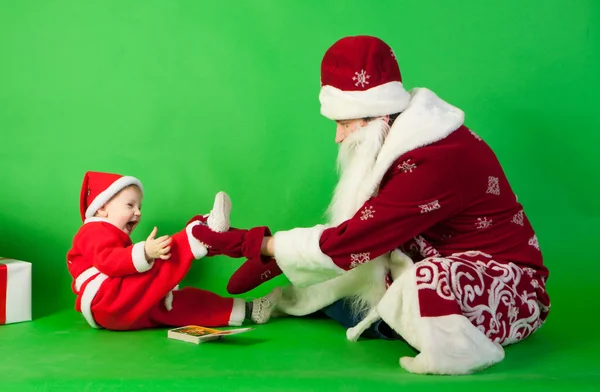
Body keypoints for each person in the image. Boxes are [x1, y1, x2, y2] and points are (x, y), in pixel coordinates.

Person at [191, 35, 551, 375]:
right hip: (439, 261)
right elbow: (365, 228)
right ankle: (375, 314)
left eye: (344, 124)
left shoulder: (434, 161)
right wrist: (276, 254)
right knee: (343, 286)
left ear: (376, 116)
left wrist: (254, 244)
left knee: (422, 283)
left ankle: (457, 349)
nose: (338, 136)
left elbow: (360, 237)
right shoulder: (404, 142)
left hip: (510, 287)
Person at [66, 171, 281, 331]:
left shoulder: (113, 236)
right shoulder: (93, 230)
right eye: (130, 205)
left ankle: (251, 310)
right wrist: (146, 252)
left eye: (139, 207)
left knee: (178, 304)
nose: (138, 213)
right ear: (102, 207)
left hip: (118, 312)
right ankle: (202, 232)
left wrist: (158, 278)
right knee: (165, 255)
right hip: (107, 300)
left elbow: (119, 265)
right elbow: (108, 261)